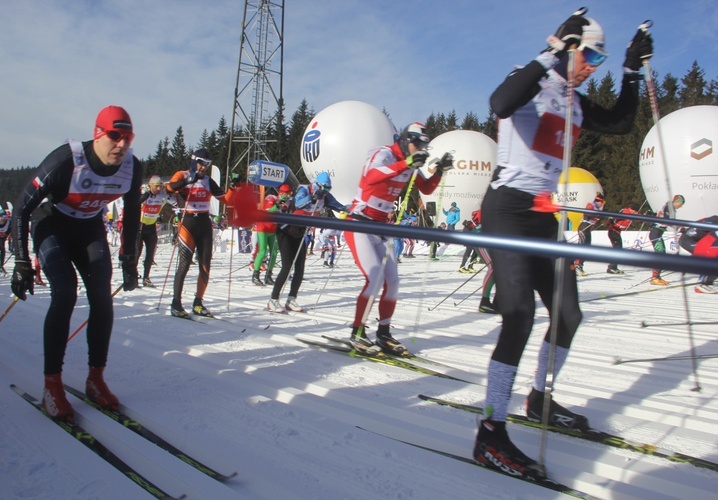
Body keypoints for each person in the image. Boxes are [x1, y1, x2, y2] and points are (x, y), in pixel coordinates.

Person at [474, 12, 651, 479]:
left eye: (601, 57)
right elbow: (500, 102)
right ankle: (490, 429)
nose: (594, 64)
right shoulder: (531, 78)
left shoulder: (574, 99)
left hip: (544, 214)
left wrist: (631, 72)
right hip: (508, 209)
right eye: (589, 53)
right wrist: (550, 51)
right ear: (568, 47)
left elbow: (619, 123)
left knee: (568, 314)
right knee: (518, 316)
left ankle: (539, 398)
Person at [10, 105, 142, 423]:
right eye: (114, 135)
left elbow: (134, 213)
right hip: (53, 224)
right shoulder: (66, 160)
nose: (121, 144)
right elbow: (20, 208)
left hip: (89, 228)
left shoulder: (131, 167)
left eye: (128, 137)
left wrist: (129, 259)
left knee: (101, 297)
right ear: (98, 134)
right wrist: (21, 261)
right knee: (65, 293)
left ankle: (95, 380)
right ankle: (52, 386)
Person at [345, 122, 452, 355]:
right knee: (374, 279)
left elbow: (426, 189)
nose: (420, 149)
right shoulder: (384, 153)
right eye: (418, 144)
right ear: (406, 140)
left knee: (392, 283)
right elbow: (371, 177)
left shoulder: (412, 162)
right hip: (360, 222)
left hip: (383, 227)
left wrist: (440, 171)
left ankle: (383, 333)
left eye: (424, 145)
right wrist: (405, 163)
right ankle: (357, 332)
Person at [268, 173, 347, 313]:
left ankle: (291, 299)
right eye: (324, 188)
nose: (326, 192)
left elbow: (339, 206)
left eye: (328, 189)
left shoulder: (325, 196)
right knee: (287, 266)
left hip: (300, 231)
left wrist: (352, 208)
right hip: (286, 229)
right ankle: (273, 300)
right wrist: (312, 197)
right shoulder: (304, 189)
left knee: (300, 267)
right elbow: (298, 203)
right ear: (316, 184)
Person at [165, 148, 226, 318]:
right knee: (184, 264)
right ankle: (176, 303)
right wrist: (187, 181)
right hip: (188, 222)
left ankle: (198, 302)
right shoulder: (182, 175)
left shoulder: (208, 180)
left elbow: (225, 198)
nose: (204, 167)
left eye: (207, 164)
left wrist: (236, 193)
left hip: (204, 223)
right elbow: (169, 189)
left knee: (205, 265)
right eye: (201, 163)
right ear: (194, 161)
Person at [138, 175, 177, 287]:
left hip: (151, 228)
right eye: (156, 186)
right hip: (140, 227)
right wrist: (143, 197)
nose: (159, 189)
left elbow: (175, 202)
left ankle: (146, 277)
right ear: (150, 185)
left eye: (160, 186)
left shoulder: (162, 196)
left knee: (150, 255)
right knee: (137, 253)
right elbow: (135, 203)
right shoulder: (145, 194)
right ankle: (133, 274)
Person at [649, 194, 685, 286]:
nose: (681, 206)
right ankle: (654, 278)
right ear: (677, 202)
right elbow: (668, 221)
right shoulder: (669, 207)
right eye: (681, 204)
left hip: (658, 232)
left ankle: (657, 276)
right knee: (660, 253)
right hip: (656, 232)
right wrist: (679, 228)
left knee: (662, 253)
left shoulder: (670, 208)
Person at [679, 215, 718, 293]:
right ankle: (703, 283)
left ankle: (684, 266)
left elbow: (700, 221)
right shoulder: (714, 220)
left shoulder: (714, 219)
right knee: (707, 259)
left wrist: (686, 229)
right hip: (689, 240)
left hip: (697, 241)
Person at [252, 192, 280, 286]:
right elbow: (268, 211)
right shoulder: (271, 197)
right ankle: (255, 275)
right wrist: (277, 206)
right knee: (263, 251)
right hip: (263, 227)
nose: (287, 196)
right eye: (286, 194)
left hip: (273, 228)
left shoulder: (287, 202)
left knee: (274, 252)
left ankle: (268, 275)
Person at [574, 193, 605, 276]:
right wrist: (598, 215)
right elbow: (587, 214)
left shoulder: (597, 209)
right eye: (602, 202)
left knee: (587, 248)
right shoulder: (591, 205)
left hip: (588, 229)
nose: (602, 204)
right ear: (599, 201)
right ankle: (576, 265)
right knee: (582, 247)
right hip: (584, 227)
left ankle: (580, 266)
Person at [606, 204, 639, 274]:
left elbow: (639, 217)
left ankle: (613, 266)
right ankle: (611, 267)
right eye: (636, 212)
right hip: (613, 231)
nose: (636, 213)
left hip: (617, 232)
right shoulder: (625, 212)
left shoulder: (631, 214)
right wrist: (611, 218)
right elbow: (617, 215)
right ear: (632, 210)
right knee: (617, 249)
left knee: (618, 249)